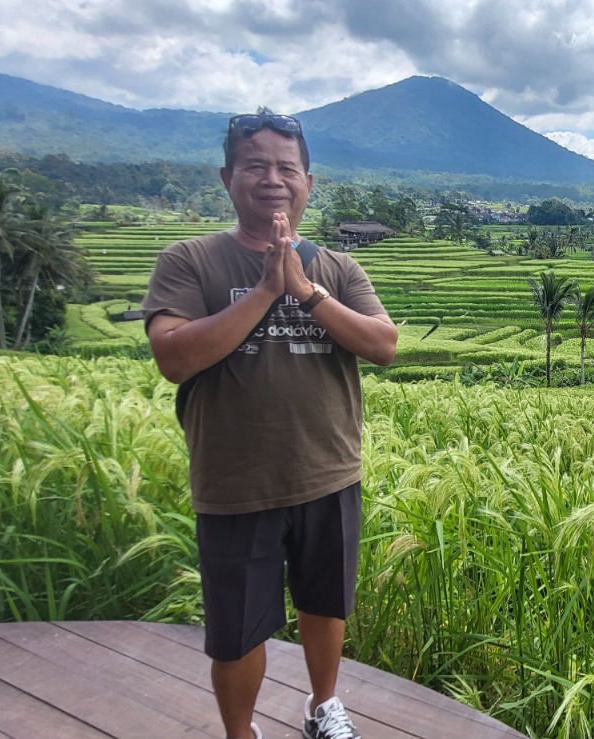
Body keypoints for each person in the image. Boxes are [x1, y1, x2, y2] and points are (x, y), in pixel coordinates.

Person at [142, 109, 399, 739]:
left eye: (287, 167)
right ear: (227, 177)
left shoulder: (337, 268)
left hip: (328, 471)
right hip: (236, 482)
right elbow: (173, 358)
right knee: (236, 628)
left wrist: (305, 290)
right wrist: (265, 291)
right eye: (255, 165)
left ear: (308, 182)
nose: (272, 179)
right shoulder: (190, 260)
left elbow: (383, 345)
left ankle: (322, 707)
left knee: (325, 603)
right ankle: (241, 733)